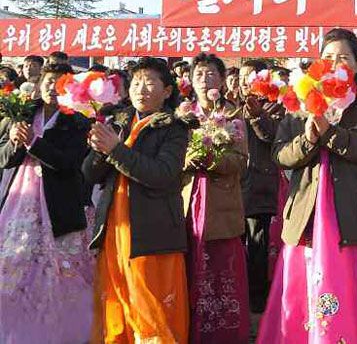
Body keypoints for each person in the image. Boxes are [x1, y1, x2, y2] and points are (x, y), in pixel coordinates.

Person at [259, 28, 357, 342]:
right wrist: (309, 138)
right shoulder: (301, 99)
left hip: (353, 214)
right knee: (305, 282)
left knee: (352, 284)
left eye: (344, 58)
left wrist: (330, 134)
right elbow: (281, 153)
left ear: (356, 63)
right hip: (308, 211)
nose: (335, 63)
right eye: (329, 57)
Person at [84, 57, 191, 342]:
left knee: (151, 309)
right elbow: (90, 174)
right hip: (115, 230)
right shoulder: (118, 120)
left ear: (167, 91)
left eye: (150, 81)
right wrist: (98, 149)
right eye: (137, 81)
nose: (141, 88)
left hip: (151, 233)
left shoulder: (174, 128)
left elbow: (163, 174)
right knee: (118, 302)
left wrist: (116, 150)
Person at [0, 63, 94, 343]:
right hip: (20, 199)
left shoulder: (78, 120)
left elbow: (70, 163)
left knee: (63, 272)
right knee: (14, 264)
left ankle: (61, 332)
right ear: (40, 85)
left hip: (60, 204)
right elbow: (3, 158)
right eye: (49, 82)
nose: (54, 88)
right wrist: (16, 143)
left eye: (62, 83)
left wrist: (34, 143)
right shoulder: (23, 112)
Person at [180, 53, 251, 343]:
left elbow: (241, 162)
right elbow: (170, 158)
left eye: (211, 74)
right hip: (187, 200)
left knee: (223, 271)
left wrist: (211, 160)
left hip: (221, 205)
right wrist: (188, 159)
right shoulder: (182, 115)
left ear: (222, 81)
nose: (205, 79)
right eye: (199, 74)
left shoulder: (234, 117)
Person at [237, 58, 285, 313]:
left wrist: (257, 116)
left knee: (258, 246)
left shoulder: (276, 106)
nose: (246, 81)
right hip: (235, 186)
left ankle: (257, 301)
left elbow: (273, 136)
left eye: (251, 76)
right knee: (238, 244)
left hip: (261, 186)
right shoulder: (232, 106)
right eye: (243, 76)